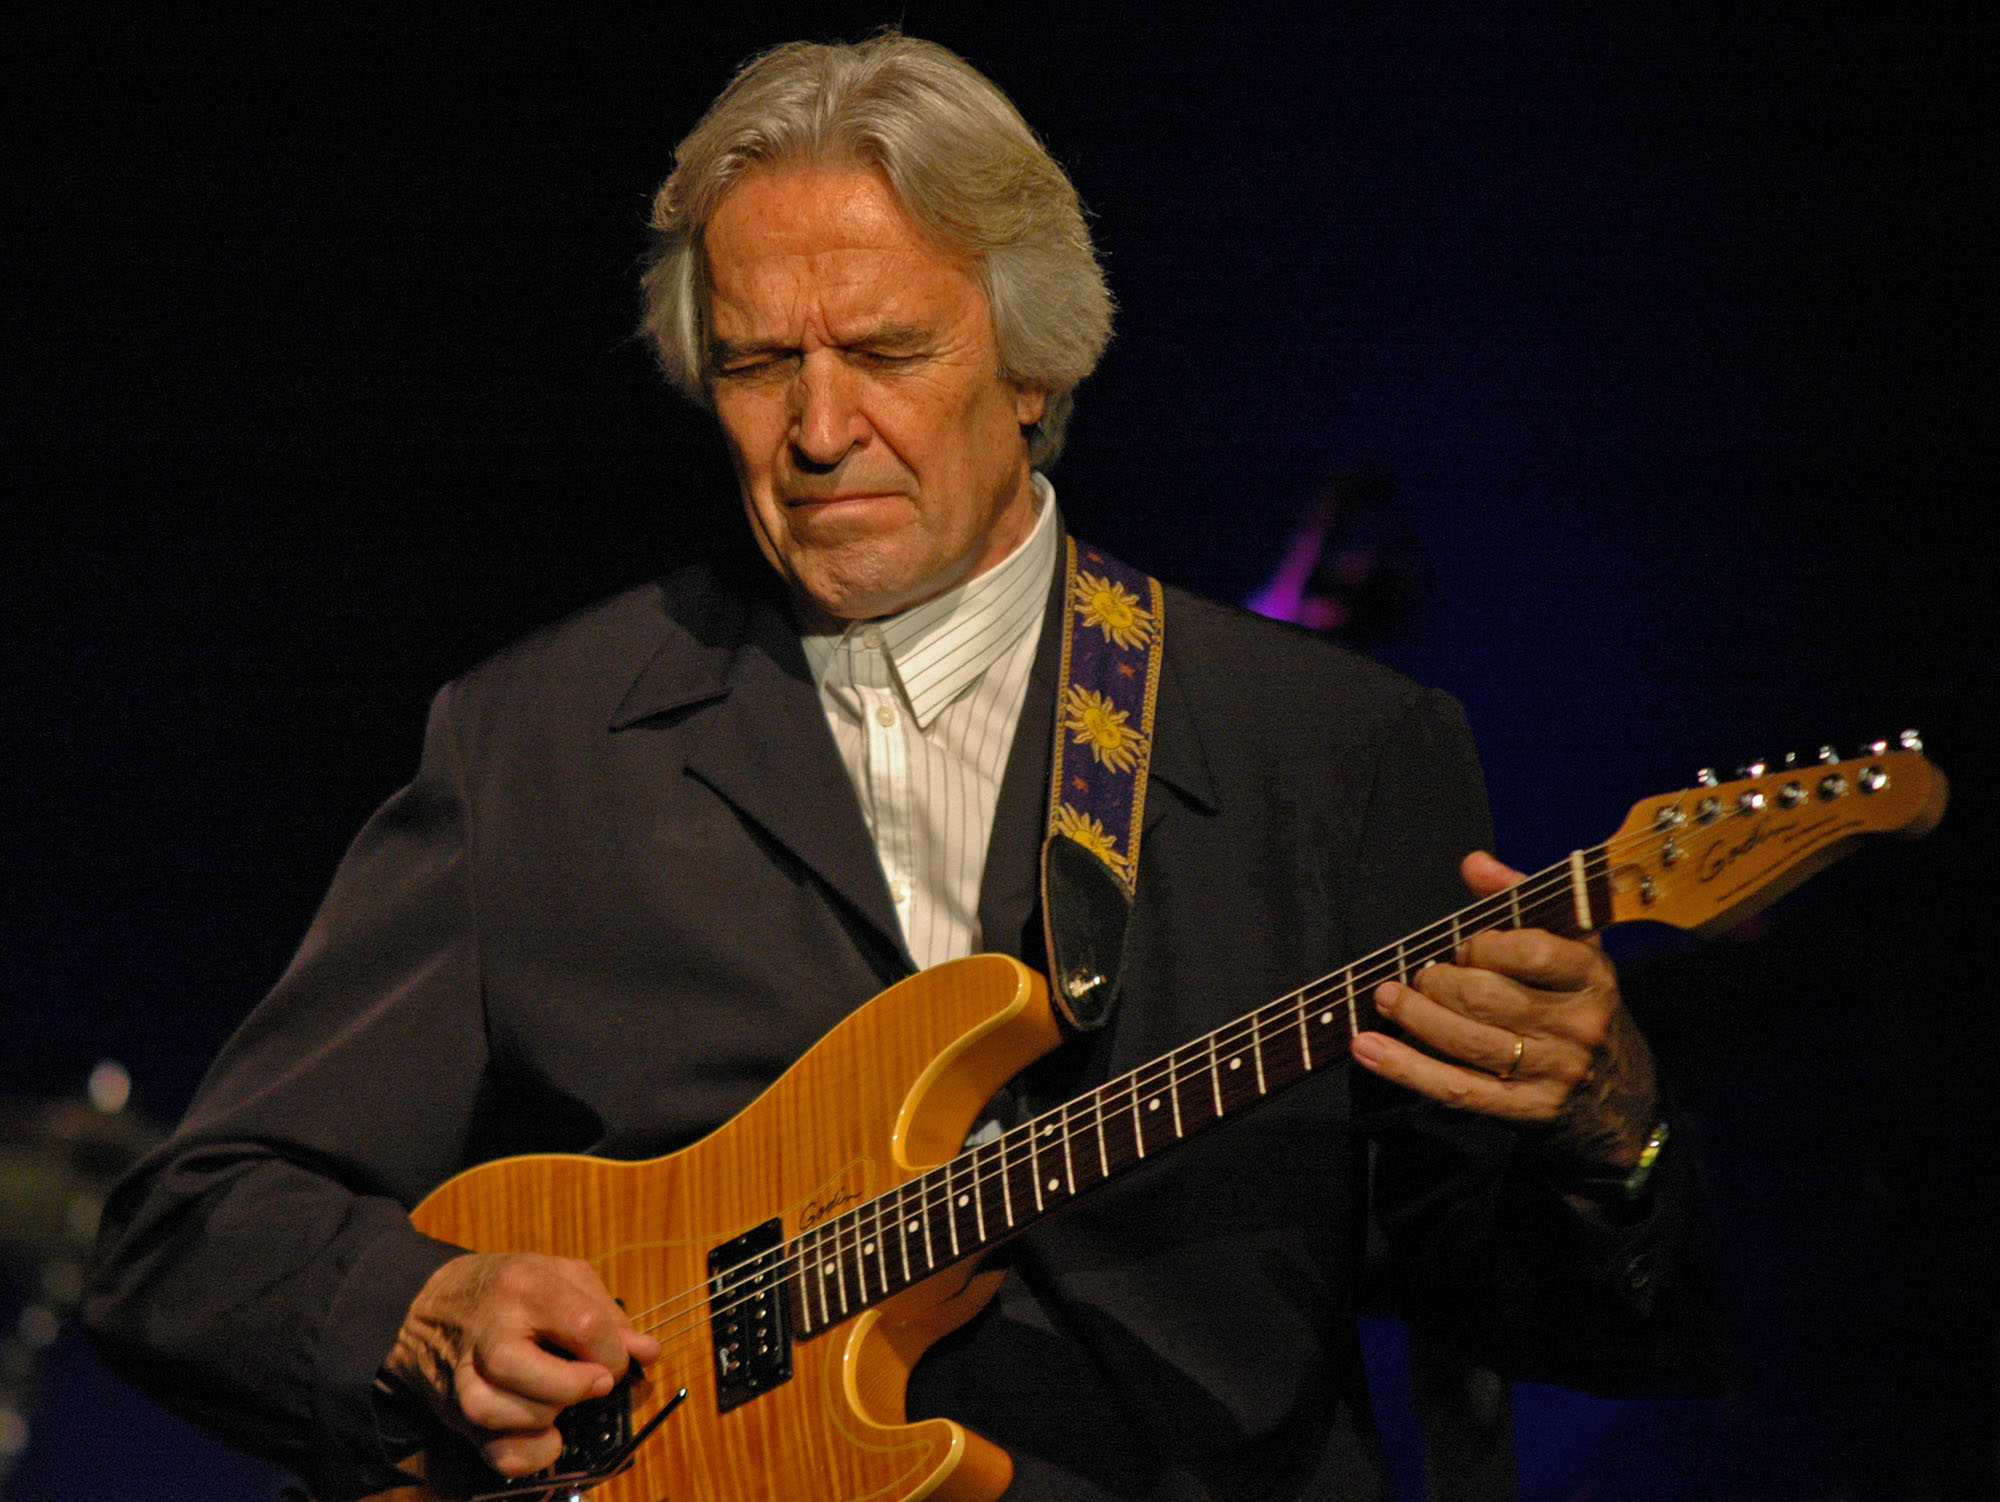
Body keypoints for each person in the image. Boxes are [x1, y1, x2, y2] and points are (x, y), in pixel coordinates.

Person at [84, 33, 1714, 1502]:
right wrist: (425, 1312)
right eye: (755, 363)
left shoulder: (1341, 751)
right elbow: (187, 1229)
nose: (816, 427)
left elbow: (1548, 1316)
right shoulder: (537, 745)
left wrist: (1612, 1127)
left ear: (1034, 365)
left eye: (883, 348)